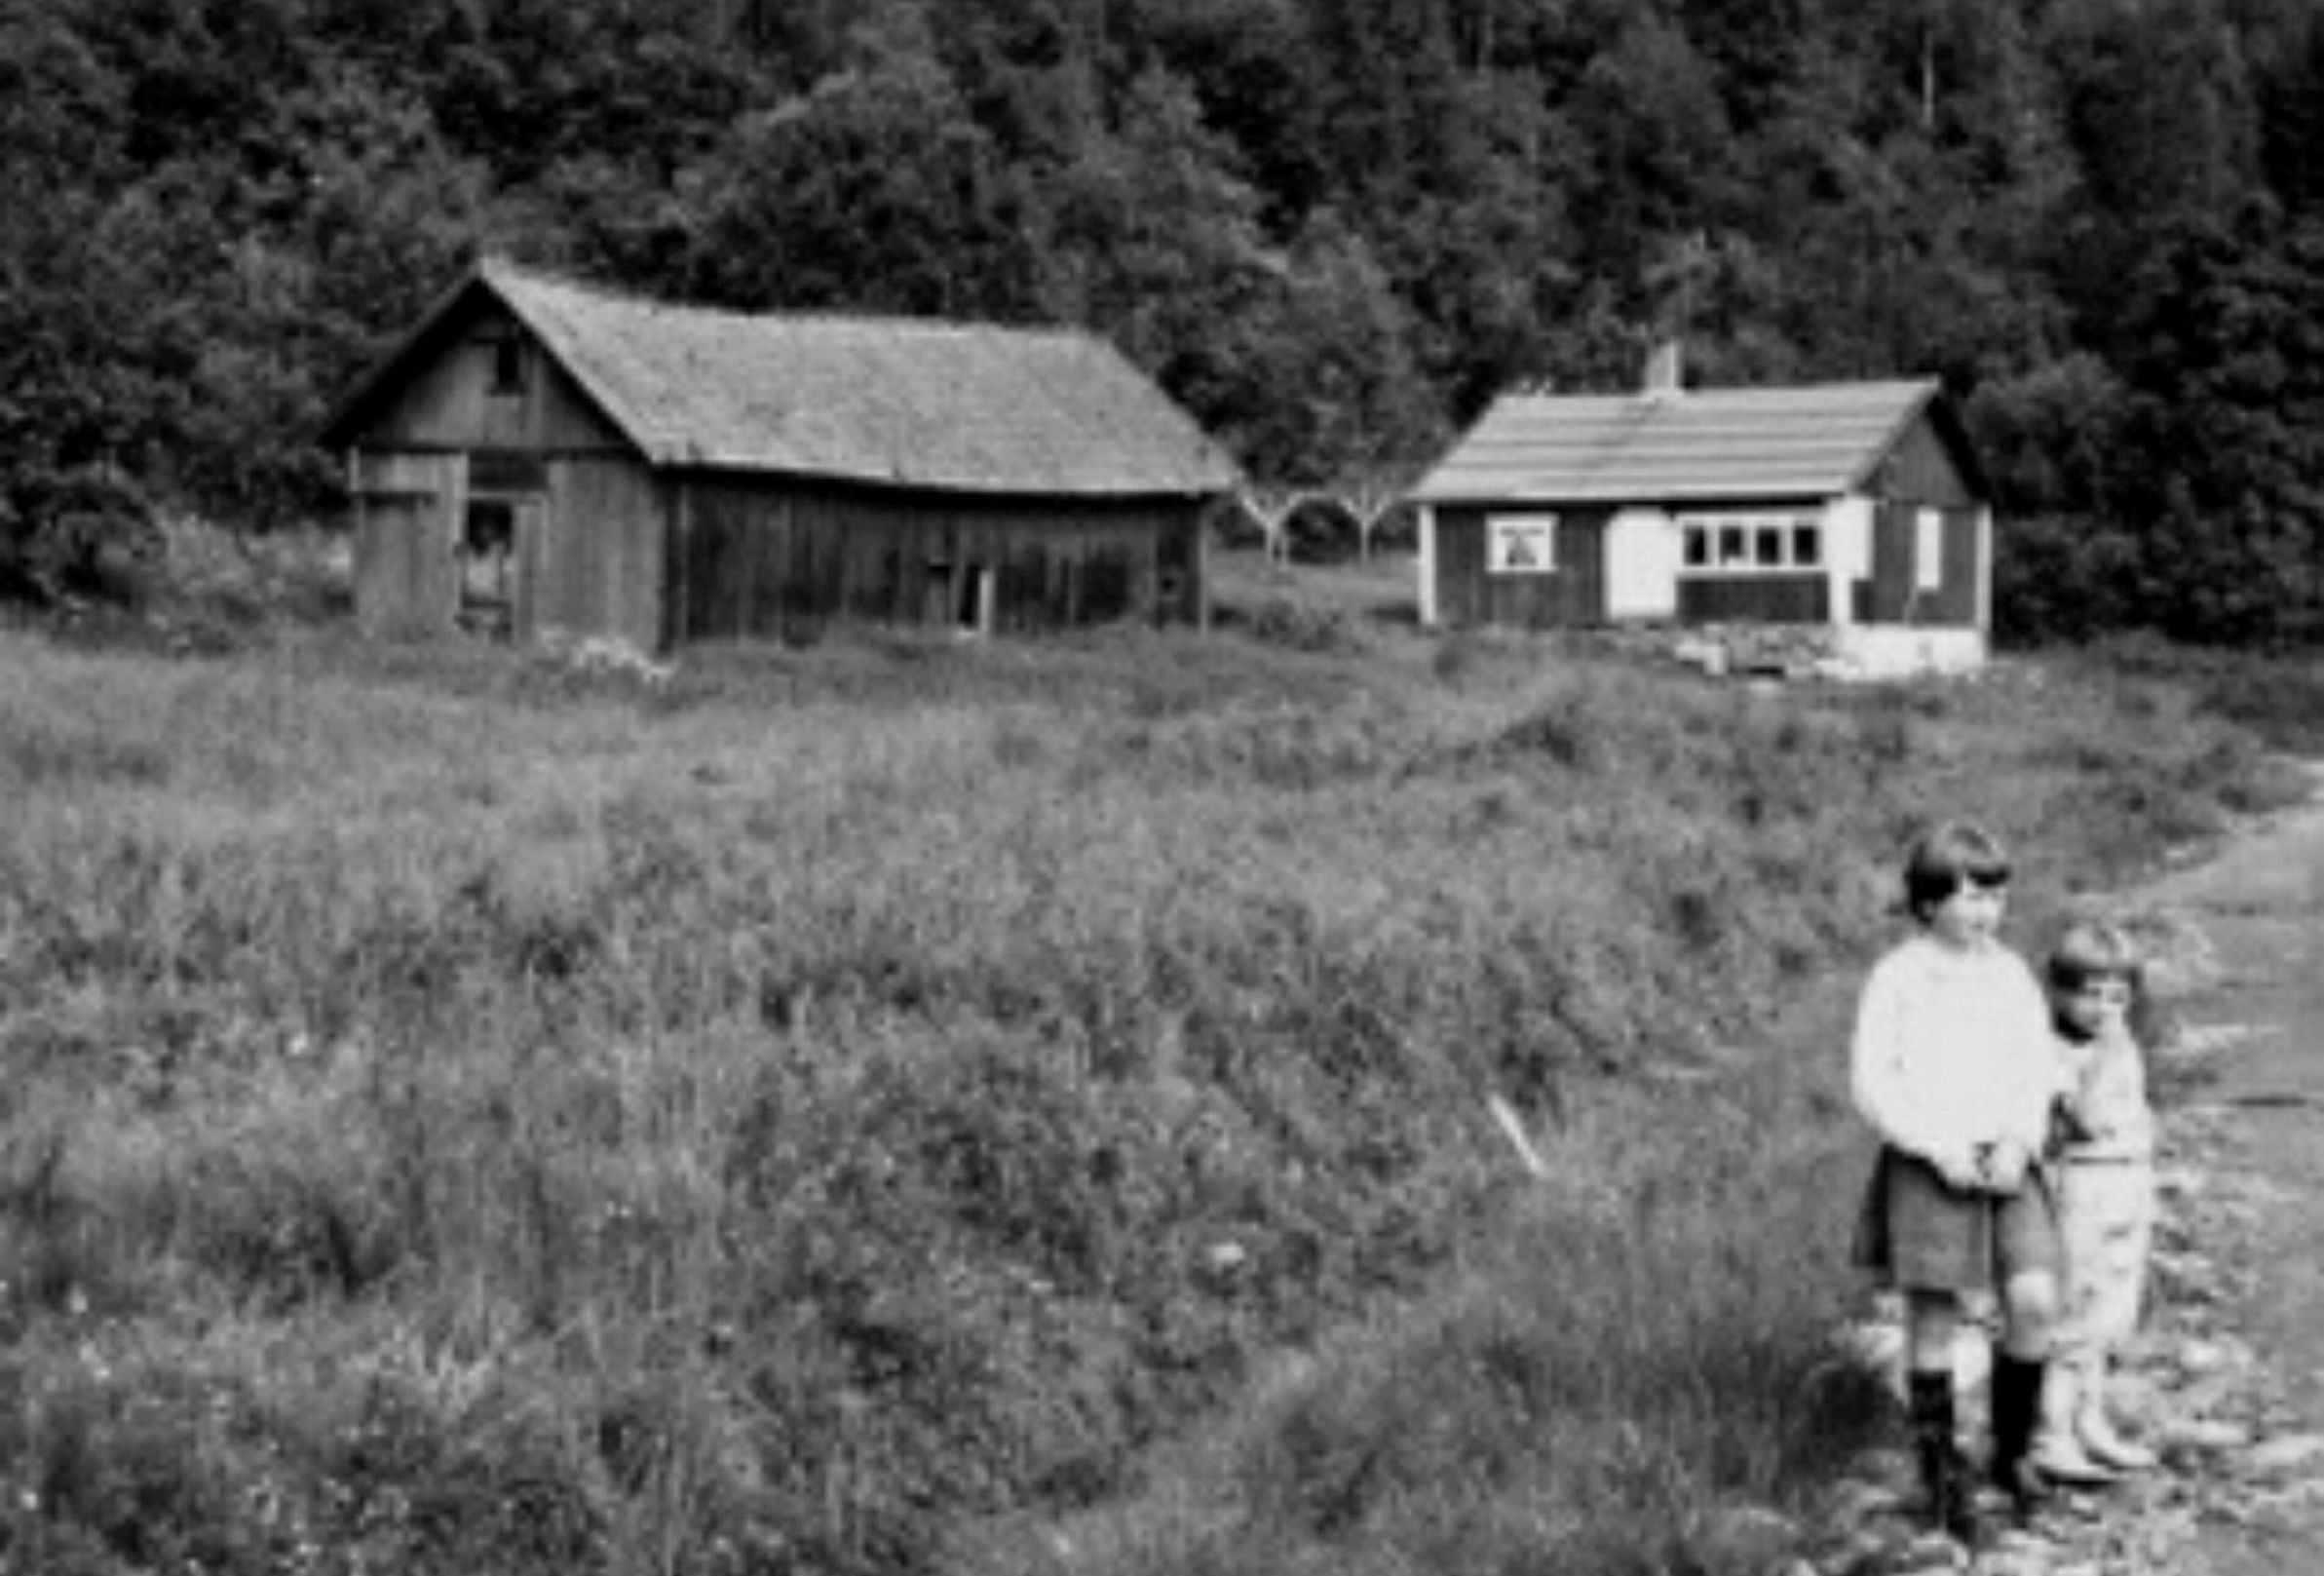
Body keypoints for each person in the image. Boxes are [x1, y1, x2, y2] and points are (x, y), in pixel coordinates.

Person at [1850, 821, 2068, 1540]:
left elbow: (2033, 1066)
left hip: (2006, 1157)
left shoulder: (2007, 973)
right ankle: (1941, 1472)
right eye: (1971, 897)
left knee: (2034, 1297)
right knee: (1934, 1317)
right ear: (1927, 901)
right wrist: (1936, 1145)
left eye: (1996, 897)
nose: (1986, 913)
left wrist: (2017, 1139)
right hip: (1930, 1161)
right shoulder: (1898, 977)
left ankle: (2011, 1450)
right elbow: (1873, 1081)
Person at [2029, 919, 2161, 1480]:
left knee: (2112, 1313)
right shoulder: (2059, 1050)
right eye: (2089, 994)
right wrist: (2106, 1050)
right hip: (2081, 1187)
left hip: (2127, 1183)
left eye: (2117, 996)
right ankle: (2050, 1434)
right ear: (2059, 991)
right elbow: (2082, 1121)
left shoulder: (2120, 1040)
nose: (2104, 1008)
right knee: (2075, 1316)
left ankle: (2092, 1421)